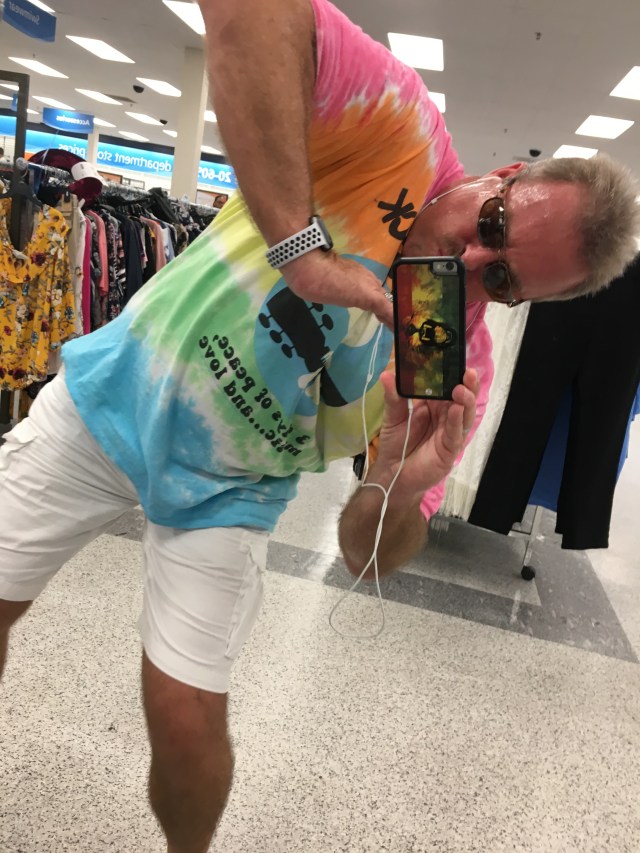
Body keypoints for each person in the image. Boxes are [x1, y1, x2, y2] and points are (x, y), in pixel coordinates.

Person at [0, 1, 638, 851]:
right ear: (502, 176)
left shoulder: (455, 363)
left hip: (231, 490)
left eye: (505, 282)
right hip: (110, 393)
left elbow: (362, 552)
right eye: (493, 227)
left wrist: (399, 480)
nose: (470, 262)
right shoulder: (399, 125)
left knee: (187, 724)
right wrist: (303, 255)